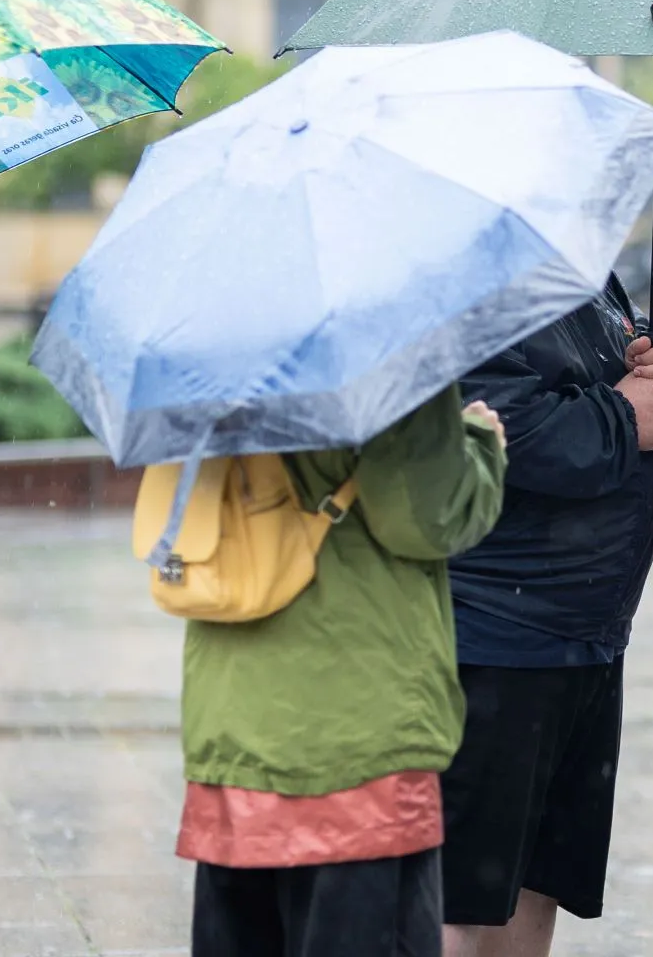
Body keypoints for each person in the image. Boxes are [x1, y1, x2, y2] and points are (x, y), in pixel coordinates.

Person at [181, 386, 508, 957]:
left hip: (234, 718)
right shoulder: (389, 359)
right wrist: (481, 444)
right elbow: (424, 517)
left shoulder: (207, 361)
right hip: (356, 723)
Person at [441, 275, 653, 957]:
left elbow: (623, 389)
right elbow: (494, 426)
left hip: (586, 636)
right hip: (498, 634)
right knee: (460, 892)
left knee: (538, 878)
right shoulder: (473, 279)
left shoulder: (578, 266)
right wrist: (625, 417)